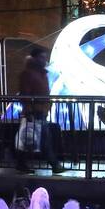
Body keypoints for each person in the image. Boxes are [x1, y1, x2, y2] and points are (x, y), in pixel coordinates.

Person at [15, 45, 62, 174]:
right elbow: (25, 94)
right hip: (35, 111)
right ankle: (55, 164)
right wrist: (29, 110)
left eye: (45, 57)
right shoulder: (29, 74)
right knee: (42, 139)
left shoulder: (41, 73)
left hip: (40, 110)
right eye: (42, 57)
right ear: (35, 58)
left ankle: (20, 162)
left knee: (31, 139)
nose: (44, 60)